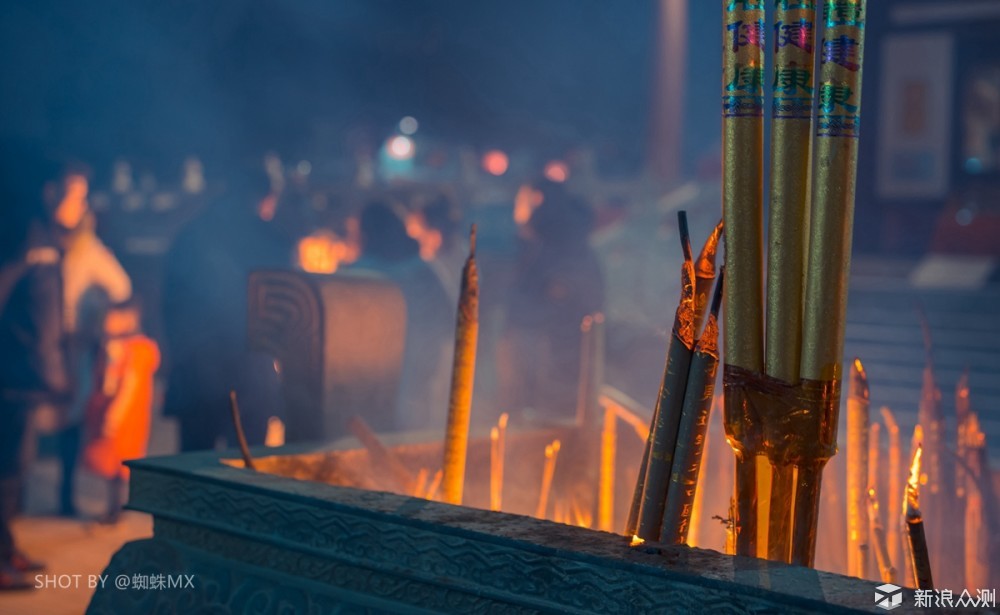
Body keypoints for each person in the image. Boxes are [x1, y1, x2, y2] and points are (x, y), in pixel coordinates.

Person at [162, 163, 289, 451]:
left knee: (194, 469)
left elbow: (170, 305)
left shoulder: (191, 233)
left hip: (195, 373)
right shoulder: (270, 241)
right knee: (244, 472)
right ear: (265, 196)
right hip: (249, 375)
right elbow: (283, 315)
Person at [0, 152, 72, 590]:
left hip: (27, 375)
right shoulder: (25, 232)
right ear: (52, 191)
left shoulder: (44, 233)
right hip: (14, 377)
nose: (80, 204)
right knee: (7, 470)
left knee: (16, 469)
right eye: (76, 193)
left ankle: (7, 548)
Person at [56, 170, 132, 517]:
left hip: (70, 346)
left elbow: (121, 290)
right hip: (39, 343)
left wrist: (96, 324)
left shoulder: (89, 252)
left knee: (70, 420)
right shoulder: (44, 244)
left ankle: (64, 496)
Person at [499, 192, 605, 419]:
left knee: (554, 418)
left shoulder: (558, 258)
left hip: (559, 366)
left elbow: (566, 302)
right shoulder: (547, 255)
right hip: (548, 364)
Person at [350, 201, 453, 431]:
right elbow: (450, 322)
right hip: (418, 384)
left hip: (372, 388)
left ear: (365, 234)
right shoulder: (426, 271)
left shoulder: (356, 276)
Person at [82, 298, 159, 524]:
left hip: (125, 418)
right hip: (119, 415)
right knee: (113, 464)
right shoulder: (117, 346)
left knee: (118, 463)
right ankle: (114, 508)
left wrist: (113, 415)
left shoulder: (138, 349)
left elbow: (129, 386)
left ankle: (115, 510)